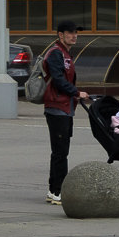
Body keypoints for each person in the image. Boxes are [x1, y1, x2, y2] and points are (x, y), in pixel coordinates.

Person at [43, 20, 89, 204]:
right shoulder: (56, 53)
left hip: (64, 107)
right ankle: (57, 191)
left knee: (59, 151)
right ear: (60, 35)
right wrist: (78, 93)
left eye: (76, 32)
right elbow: (58, 81)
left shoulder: (64, 53)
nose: (74, 35)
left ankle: (52, 190)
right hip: (57, 108)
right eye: (70, 32)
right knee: (60, 152)